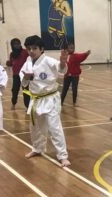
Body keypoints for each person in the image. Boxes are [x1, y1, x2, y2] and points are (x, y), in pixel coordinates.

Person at [20, 35, 71, 167]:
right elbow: (24, 83)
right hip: (36, 99)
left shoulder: (48, 61)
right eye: (29, 48)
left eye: (34, 48)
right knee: (35, 127)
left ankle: (62, 155)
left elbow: (60, 70)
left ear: (41, 49)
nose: (31, 51)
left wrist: (63, 62)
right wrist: (26, 77)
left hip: (50, 98)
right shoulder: (27, 63)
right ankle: (37, 148)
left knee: (54, 127)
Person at [6, 38, 30, 110]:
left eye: (18, 43)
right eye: (15, 44)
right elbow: (11, 63)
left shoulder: (25, 52)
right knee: (15, 90)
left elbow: (29, 61)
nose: (17, 45)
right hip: (16, 75)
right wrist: (8, 63)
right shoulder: (12, 54)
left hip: (24, 75)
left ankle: (28, 106)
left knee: (26, 90)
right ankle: (13, 103)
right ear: (12, 45)